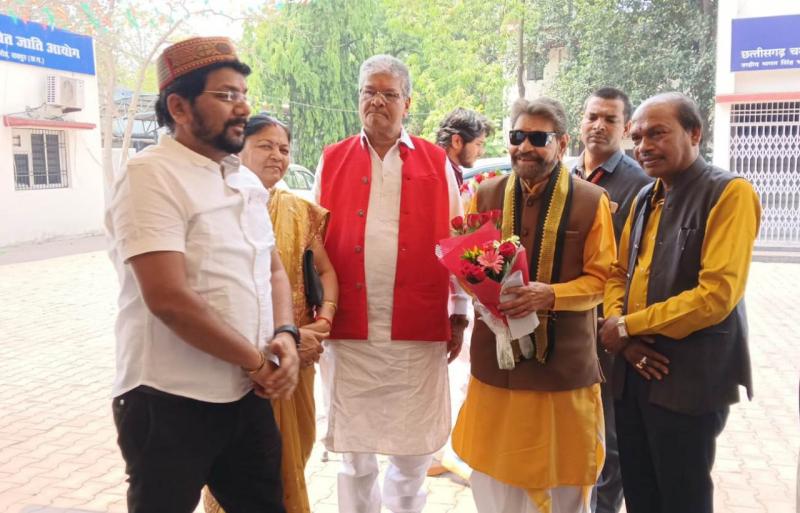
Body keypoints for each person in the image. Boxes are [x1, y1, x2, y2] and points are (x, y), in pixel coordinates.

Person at [105, 37, 299, 513]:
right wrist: (257, 361)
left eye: (243, 94)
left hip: (245, 396)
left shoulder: (244, 179)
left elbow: (272, 268)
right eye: (226, 95)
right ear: (179, 106)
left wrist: (286, 334)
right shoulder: (151, 175)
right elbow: (168, 298)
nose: (243, 107)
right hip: (169, 401)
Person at [313, 54, 469, 513]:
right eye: (369, 92)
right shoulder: (332, 159)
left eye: (388, 94)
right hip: (350, 331)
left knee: (413, 452)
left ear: (407, 103)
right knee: (354, 457)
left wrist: (459, 313)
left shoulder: (436, 161)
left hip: (416, 332)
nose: (377, 102)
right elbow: (313, 243)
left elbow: (458, 239)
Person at [452, 97, 617, 513]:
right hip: (497, 367)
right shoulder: (486, 194)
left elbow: (602, 279)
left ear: (561, 143)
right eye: (517, 136)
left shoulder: (590, 200)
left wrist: (551, 295)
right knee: (494, 482)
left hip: (562, 372)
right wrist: (482, 293)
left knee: (563, 484)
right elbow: (466, 265)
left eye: (538, 138)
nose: (524, 146)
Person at [600, 92, 761, 513]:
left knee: (682, 498)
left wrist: (628, 327)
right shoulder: (645, 197)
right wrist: (622, 334)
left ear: (695, 133)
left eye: (657, 133)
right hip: (633, 372)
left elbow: (716, 296)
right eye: (637, 137)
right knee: (641, 495)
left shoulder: (728, 193)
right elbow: (618, 272)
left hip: (687, 378)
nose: (644, 146)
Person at [204, 113, 338, 513]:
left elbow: (326, 271)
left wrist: (323, 322)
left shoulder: (299, 209)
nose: (277, 156)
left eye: (284, 148)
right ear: (238, 149)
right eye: (265, 145)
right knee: (245, 470)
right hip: (245, 359)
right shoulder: (217, 207)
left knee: (294, 454)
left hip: (299, 355)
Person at [571, 87, 652, 513]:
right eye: (592, 117)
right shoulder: (564, 175)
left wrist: (624, 326)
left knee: (610, 432)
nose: (599, 126)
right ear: (580, 121)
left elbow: (640, 264)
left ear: (625, 128)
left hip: (609, 328)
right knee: (573, 423)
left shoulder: (640, 184)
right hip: (567, 322)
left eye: (610, 119)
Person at [436, 107, 493, 185]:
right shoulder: (441, 176)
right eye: (478, 144)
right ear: (456, 141)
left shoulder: (445, 169)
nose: (481, 152)